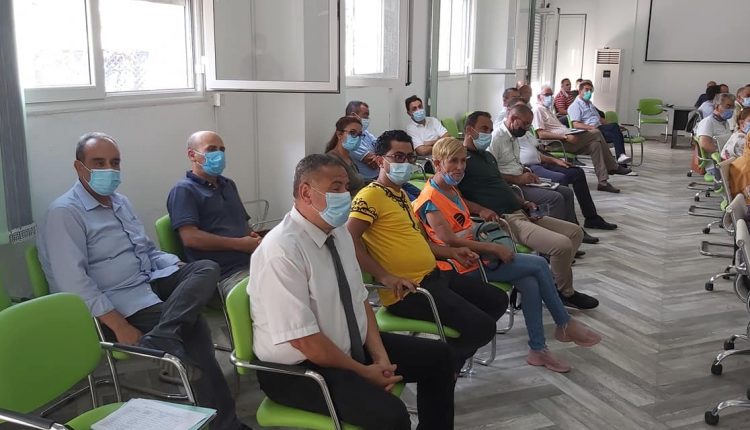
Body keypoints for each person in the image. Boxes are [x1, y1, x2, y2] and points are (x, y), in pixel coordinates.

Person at [37, 132, 249, 430]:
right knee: (195, 329)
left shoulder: (120, 202)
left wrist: (176, 266)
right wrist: (120, 325)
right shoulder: (65, 213)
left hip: (146, 281)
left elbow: (147, 251)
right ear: (79, 167)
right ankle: (225, 423)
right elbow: (73, 284)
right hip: (117, 303)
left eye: (115, 162)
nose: (109, 169)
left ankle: (165, 333)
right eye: (99, 163)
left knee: (205, 269)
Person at [248, 154, 456, 430]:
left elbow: (359, 299)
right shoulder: (281, 251)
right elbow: (304, 340)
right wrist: (364, 373)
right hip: (300, 370)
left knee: (440, 357)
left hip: (349, 344)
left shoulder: (339, 233)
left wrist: (380, 357)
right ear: (306, 193)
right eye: (336, 187)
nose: (345, 195)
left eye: (346, 187)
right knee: (391, 415)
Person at [414, 137, 602, 372]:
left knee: (530, 283)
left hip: (476, 256)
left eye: (463, 161)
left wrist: (483, 219)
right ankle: (564, 323)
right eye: (453, 161)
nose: (460, 167)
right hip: (461, 266)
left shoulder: (449, 188)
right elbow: (449, 240)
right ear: (437, 163)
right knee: (538, 265)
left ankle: (538, 350)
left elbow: (463, 218)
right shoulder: (430, 199)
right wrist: (493, 248)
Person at [347, 130, 509, 373]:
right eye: (398, 157)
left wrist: (452, 253)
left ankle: (446, 363)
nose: (405, 163)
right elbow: (349, 238)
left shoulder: (400, 194)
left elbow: (420, 242)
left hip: (434, 275)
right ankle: (443, 369)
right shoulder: (370, 196)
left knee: (497, 300)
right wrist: (384, 276)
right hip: (408, 290)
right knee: (482, 327)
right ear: (380, 160)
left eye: (410, 157)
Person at [458, 111, 599, 310]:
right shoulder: (461, 160)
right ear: (469, 130)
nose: (488, 134)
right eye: (483, 129)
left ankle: (554, 285)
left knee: (575, 232)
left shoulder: (487, 157)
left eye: (490, 130)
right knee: (561, 245)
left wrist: (524, 202)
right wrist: (480, 209)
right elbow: (454, 196)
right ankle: (564, 292)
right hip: (504, 220)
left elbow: (501, 185)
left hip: (519, 212)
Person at [167, 131, 259, 299]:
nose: (219, 154)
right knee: (268, 293)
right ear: (192, 155)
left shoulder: (228, 185)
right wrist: (239, 244)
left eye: (222, 150)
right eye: (211, 149)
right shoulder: (184, 190)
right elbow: (190, 238)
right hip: (224, 275)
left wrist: (254, 239)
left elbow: (243, 224)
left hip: (252, 262)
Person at [533, 85, 634, 189]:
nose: (550, 97)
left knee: (595, 145)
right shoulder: (537, 110)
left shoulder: (548, 110)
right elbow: (541, 134)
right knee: (596, 132)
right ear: (539, 96)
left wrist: (570, 133)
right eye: (547, 95)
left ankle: (603, 182)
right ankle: (613, 166)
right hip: (558, 143)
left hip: (568, 138)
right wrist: (564, 137)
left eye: (551, 94)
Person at [568, 80, 632, 165]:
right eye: (586, 90)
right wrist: (592, 127)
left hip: (599, 129)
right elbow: (576, 124)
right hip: (589, 132)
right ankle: (621, 159)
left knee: (615, 129)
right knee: (615, 131)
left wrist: (613, 126)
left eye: (590, 90)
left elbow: (599, 119)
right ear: (580, 91)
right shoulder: (575, 106)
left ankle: (621, 159)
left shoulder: (589, 104)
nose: (589, 92)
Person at [324, 116, 366, 196]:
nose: (357, 138)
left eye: (360, 134)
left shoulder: (349, 158)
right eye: (352, 133)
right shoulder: (332, 161)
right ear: (339, 134)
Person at [345, 101, 380, 181]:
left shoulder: (365, 132)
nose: (367, 119)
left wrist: (378, 156)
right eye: (365, 115)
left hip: (377, 178)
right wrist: (381, 157)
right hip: (365, 182)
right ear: (353, 116)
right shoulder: (349, 139)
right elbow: (374, 163)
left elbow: (382, 146)